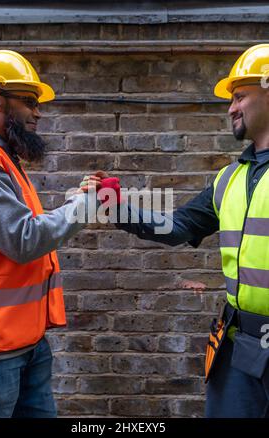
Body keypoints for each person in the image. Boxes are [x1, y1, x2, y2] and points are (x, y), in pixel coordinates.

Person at [90, 44, 269, 418]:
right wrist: (114, 207)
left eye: (239, 96)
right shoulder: (229, 179)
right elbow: (178, 226)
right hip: (240, 346)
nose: (231, 108)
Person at [0, 49, 104, 418]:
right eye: (29, 101)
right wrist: (85, 208)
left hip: (25, 346)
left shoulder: (1, 160)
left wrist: (75, 203)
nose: (38, 112)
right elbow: (22, 238)